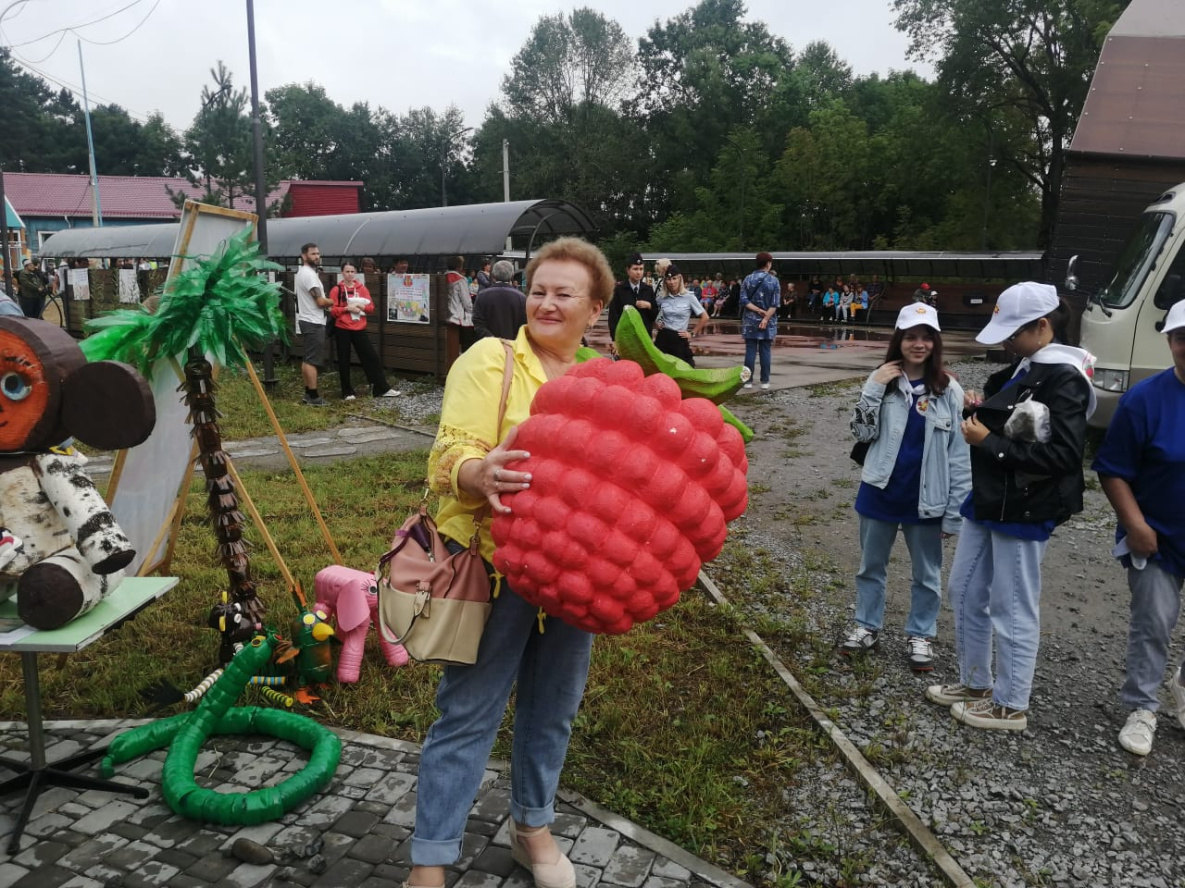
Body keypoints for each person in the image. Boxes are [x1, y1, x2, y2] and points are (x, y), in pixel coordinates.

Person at [410, 236, 613, 888]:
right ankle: (431, 860)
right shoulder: (489, 361)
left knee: (551, 709)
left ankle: (533, 828)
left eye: (564, 294)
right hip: (494, 570)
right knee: (468, 713)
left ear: (596, 308)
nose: (546, 304)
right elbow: (447, 455)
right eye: (539, 290)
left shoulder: (603, 379)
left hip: (574, 577)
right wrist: (478, 470)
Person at [926, 282, 1094, 731]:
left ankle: (1011, 702)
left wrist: (990, 442)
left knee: (1012, 603)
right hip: (990, 500)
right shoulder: (1025, 366)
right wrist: (984, 417)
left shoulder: (1066, 377)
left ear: (1042, 327)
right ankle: (976, 682)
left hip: (1025, 506)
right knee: (963, 590)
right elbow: (1016, 422)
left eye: (1013, 332)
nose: (1005, 341)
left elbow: (1062, 456)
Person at [841, 304, 972, 671]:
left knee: (927, 574)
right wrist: (872, 388)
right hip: (880, 491)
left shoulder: (949, 390)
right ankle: (867, 626)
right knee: (870, 566)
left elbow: (960, 457)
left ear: (935, 341)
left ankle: (921, 633)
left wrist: (954, 513)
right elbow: (862, 433)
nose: (919, 344)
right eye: (911, 336)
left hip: (927, 499)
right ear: (899, 339)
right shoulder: (882, 380)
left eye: (926, 337)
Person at [1092, 299, 1185, 756]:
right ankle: (1142, 706)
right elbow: (1112, 469)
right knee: (1153, 623)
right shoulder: (1144, 399)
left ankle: (1182, 686)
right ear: (1170, 342)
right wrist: (1134, 524)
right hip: (1157, 535)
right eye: (1183, 338)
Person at [328, 263, 401, 401]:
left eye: (352, 271)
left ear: (355, 273)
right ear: (342, 273)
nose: (350, 274)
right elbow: (332, 310)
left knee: (371, 357)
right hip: (342, 328)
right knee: (344, 359)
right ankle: (347, 391)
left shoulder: (361, 288)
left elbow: (371, 308)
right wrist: (347, 309)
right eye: (347, 271)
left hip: (359, 327)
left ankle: (381, 388)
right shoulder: (336, 290)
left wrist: (361, 306)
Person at [294, 243, 331, 406]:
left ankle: (308, 394)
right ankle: (314, 397)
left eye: (318, 253)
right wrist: (334, 300)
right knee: (312, 360)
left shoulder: (303, 273)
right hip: (313, 321)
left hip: (307, 319)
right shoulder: (308, 275)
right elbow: (321, 301)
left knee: (308, 358)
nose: (317, 256)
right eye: (313, 254)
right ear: (304, 256)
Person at [740, 252, 780, 389]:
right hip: (768, 322)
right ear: (768, 263)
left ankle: (748, 381)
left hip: (750, 320)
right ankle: (765, 381)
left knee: (750, 351)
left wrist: (757, 310)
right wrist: (766, 317)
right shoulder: (774, 281)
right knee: (765, 350)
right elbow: (775, 304)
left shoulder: (748, 279)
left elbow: (744, 300)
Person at [654, 265, 708, 366]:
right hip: (663, 337)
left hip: (679, 338)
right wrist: (655, 323)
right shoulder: (662, 297)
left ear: (680, 279)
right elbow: (651, 310)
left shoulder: (689, 297)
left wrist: (692, 333)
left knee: (685, 369)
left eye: (674, 278)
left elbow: (705, 317)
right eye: (669, 279)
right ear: (665, 281)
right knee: (660, 370)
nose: (672, 282)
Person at [608, 252, 657, 345]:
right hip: (625, 339)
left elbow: (654, 315)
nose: (638, 272)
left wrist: (649, 306)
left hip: (644, 338)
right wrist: (614, 339)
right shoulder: (619, 290)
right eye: (635, 269)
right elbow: (613, 317)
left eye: (641, 269)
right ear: (628, 270)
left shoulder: (648, 289)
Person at [473, 260, 527, 340]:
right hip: (513, 345)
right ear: (512, 275)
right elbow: (525, 323)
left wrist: (493, 340)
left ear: (493, 275)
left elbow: (478, 322)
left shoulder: (482, 295)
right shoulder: (521, 297)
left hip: (489, 346)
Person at [446, 255, 475, 359]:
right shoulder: (461, 280)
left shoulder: (442, 277)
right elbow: (467, 303)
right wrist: (472, 311)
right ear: (459, 267)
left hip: (445, 316)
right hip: (457, 318)